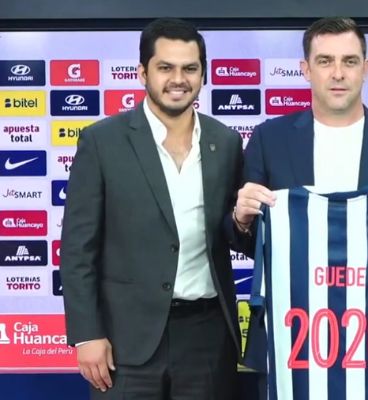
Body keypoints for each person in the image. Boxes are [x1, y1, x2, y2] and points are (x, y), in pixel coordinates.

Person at [60, 18, 243, 399]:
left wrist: (244, 221)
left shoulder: (225, 142)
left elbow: (234, 234)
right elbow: (78, 249)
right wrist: (87, 334)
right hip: (125, 340)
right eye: (165, 68)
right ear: (143, 73)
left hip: (207, 337)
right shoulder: (102, 142)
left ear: (203, 74)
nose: (178, 79)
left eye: (190, 68)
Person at [230, 16, 368, 260]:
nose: (338, 74)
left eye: (350, 61)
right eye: (325, 61)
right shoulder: (269, 140)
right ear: (306, 69)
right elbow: (247, 243)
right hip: (296, 285)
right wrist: (241, 221)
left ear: (365, 68)